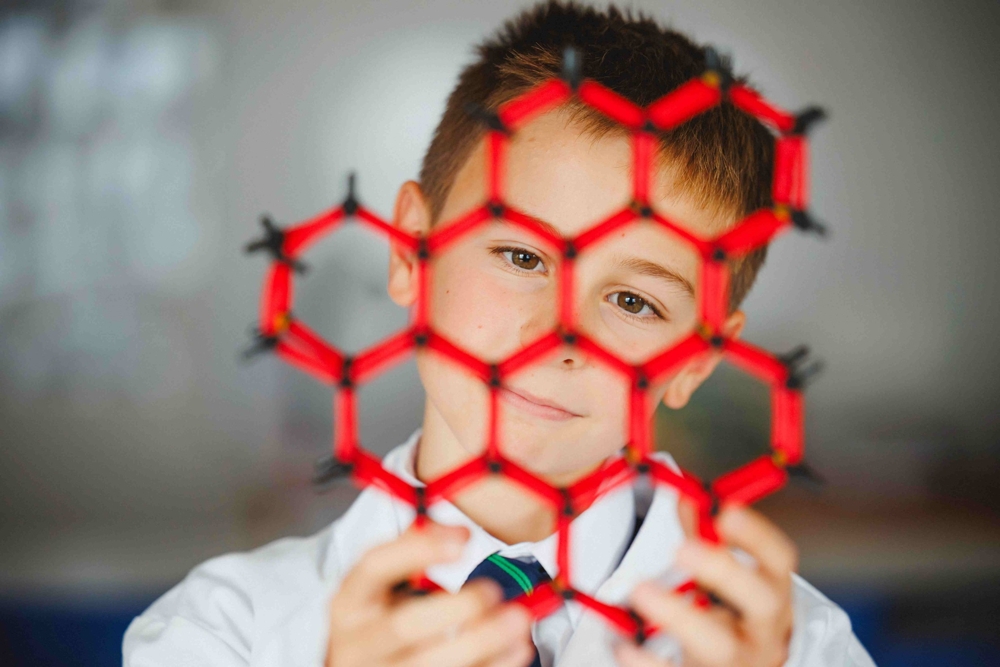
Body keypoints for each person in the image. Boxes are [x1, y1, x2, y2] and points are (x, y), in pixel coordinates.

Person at [123, 2, 875, 666]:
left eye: (633, 301)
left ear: (695, 359)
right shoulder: (221, 631)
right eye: (522, 256)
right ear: (411, 252)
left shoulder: (793, 647)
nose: (558, 334)